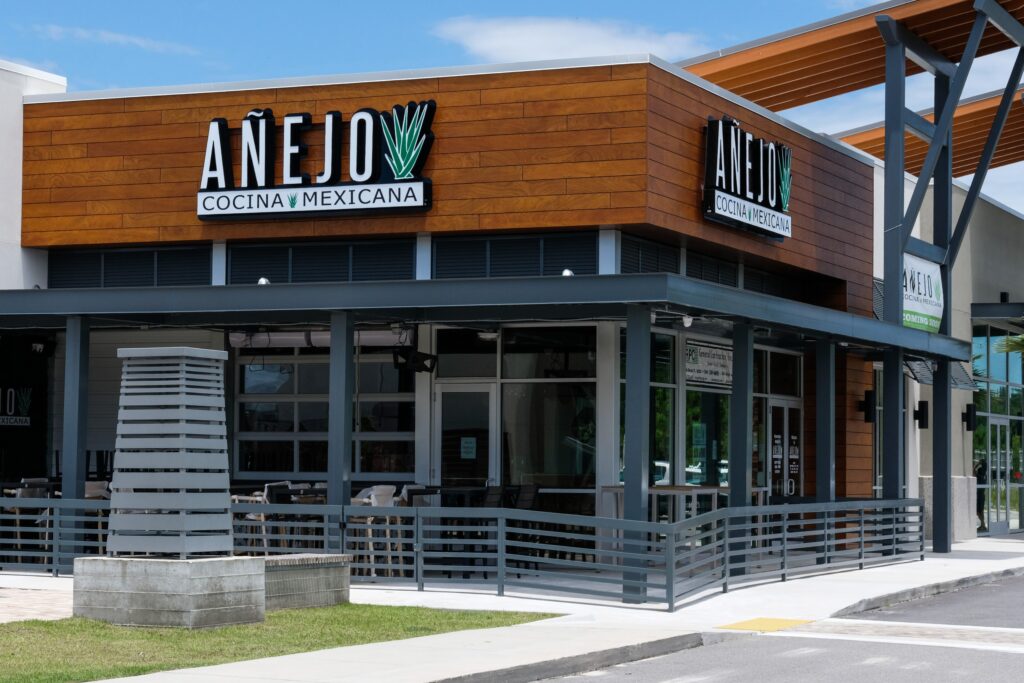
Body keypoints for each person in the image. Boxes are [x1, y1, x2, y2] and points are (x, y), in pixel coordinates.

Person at [975, 458, 988, 532]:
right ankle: (983, 525)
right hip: (982, 494)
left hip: (979, 494)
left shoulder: (980, 471)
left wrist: (976, 465)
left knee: (977, 511)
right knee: (981, 510)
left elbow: (973, 472)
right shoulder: (985, 473)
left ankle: (983, 524)